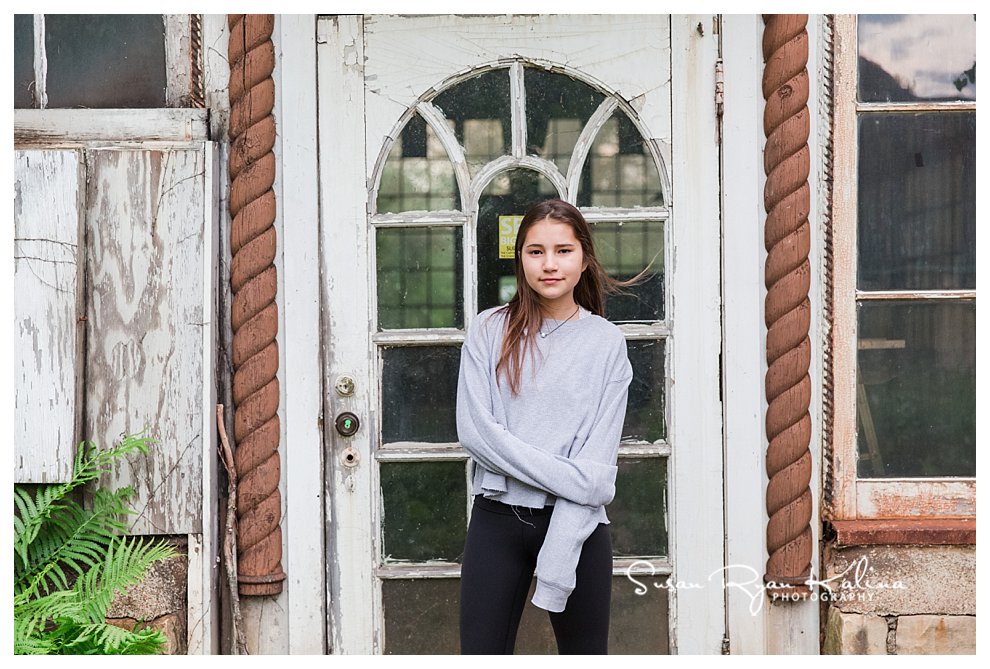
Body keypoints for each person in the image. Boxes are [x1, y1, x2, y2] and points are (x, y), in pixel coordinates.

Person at [457, 198, 652, 654]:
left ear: (584, 258)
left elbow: (598, 469)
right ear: (520, 258)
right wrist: (574, 479)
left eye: (563, 251)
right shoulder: (489, 330)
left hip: (577, 525)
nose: (549, 264)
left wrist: (575, 482)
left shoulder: (606, 344)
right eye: (535, 251)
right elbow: (475, 433)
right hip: (497, 520)